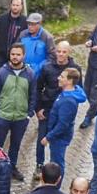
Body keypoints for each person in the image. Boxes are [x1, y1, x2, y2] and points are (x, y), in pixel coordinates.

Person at [0, 44, 36, 182]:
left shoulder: (30, 74)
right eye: (13, 54)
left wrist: (29, 114)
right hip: (3, 116)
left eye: (18, 54)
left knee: (16, 145)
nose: (15, 57)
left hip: (21, 118)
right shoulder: (1, 73)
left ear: (23, 55)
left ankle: (12, 167)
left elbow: (33, 95)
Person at [34, 40, 79, 169]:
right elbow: (38, 88)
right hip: (47, 109)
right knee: (41, 139)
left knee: (58, 144)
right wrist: (38, 108)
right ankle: (39, 164)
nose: (60, 54)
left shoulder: (74, 69)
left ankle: (55, 170)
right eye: (58, 51)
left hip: (63, 111)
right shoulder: (47, 67)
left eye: (64, 52)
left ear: (69, 53)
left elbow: (78, 90)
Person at [41, 68, 86, 172]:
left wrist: (48, 137)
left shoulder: (68, 101)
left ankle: (55, 185)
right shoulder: (67, 93)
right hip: (57, 136)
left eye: (62, 77)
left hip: (59, 138)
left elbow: (63, 124)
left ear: (69, 81)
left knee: (57, 164)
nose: (58, 78)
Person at [0, 0, 29, 67]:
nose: (15, 7)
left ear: (21, 6)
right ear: (10, 5)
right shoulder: (1, 19)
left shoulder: (25, 21)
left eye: (17, 5)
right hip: (2, 55)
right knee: (0, 76)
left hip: (17, 56)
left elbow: (27, 38)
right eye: (13, 5)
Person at [17, 13, 55, 78]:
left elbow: (52, 57)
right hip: (22, 71)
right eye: (29, 24)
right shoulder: (22, 34)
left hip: (39, 74)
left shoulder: (47, 37)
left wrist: (38, 68)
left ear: (39, 24)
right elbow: (16, 50)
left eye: (33, 24)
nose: (30, 26)